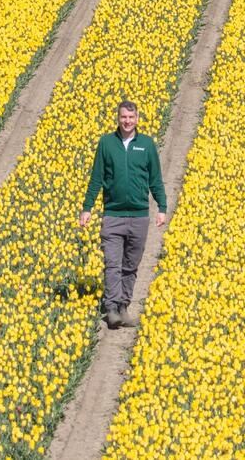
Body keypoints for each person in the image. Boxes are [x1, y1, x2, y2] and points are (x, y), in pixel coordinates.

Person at [80, 100, 167, 329]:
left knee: (131, 265)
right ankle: (111, 308)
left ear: (137, 118)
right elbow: (96, 177)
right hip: (113, 215)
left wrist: (162, 207)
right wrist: (87, 208)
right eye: (123, 117)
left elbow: (155, 179)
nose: (127, 121)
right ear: (118, 119)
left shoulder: (146, 145)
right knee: (112, 263)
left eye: (131, 117)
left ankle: (123, 306)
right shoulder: (106, 143)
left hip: (139, 216)